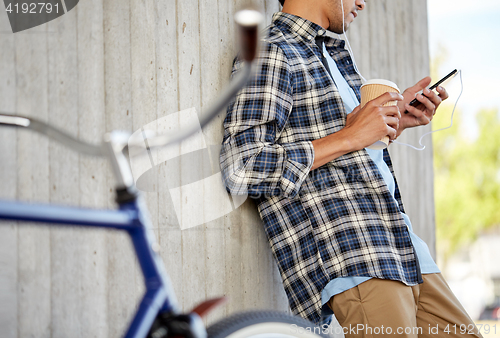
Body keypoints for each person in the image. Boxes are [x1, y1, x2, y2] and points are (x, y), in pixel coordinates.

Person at [219, 0, 482, 336]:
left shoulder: (335, 56)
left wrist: (392, 123)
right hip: (355, 254)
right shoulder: (272, 51)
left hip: (403, 246)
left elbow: (348, 150)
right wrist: (349, 136)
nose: (362, 2)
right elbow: (242, 164)